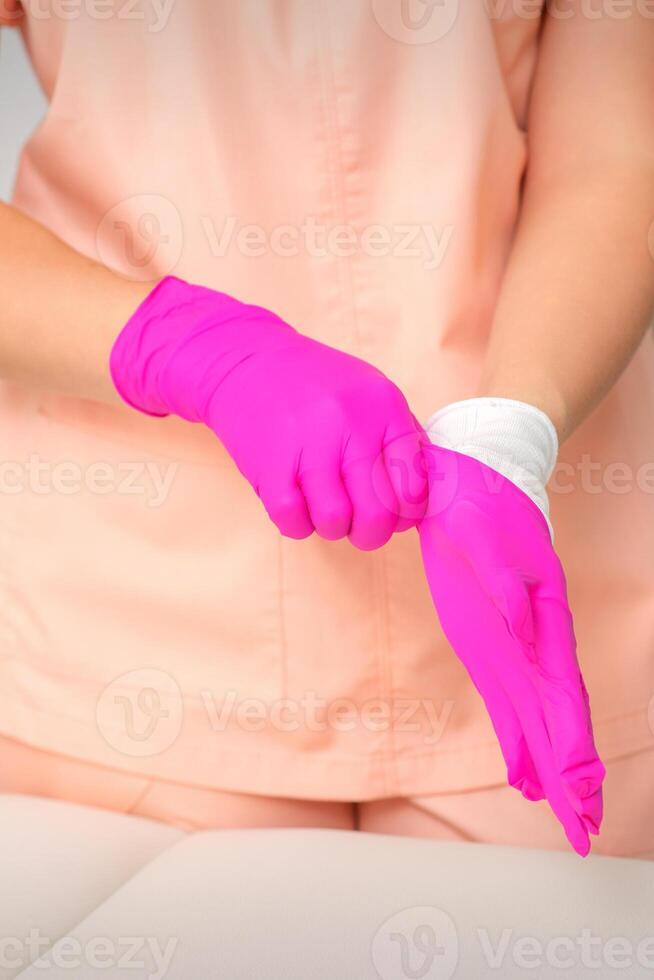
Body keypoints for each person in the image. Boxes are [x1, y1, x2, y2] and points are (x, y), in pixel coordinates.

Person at [0, 0, 652, 856]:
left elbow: (612, 156)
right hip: (137, 634)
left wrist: (509, 434)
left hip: (530, 585)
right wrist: (181, 347)